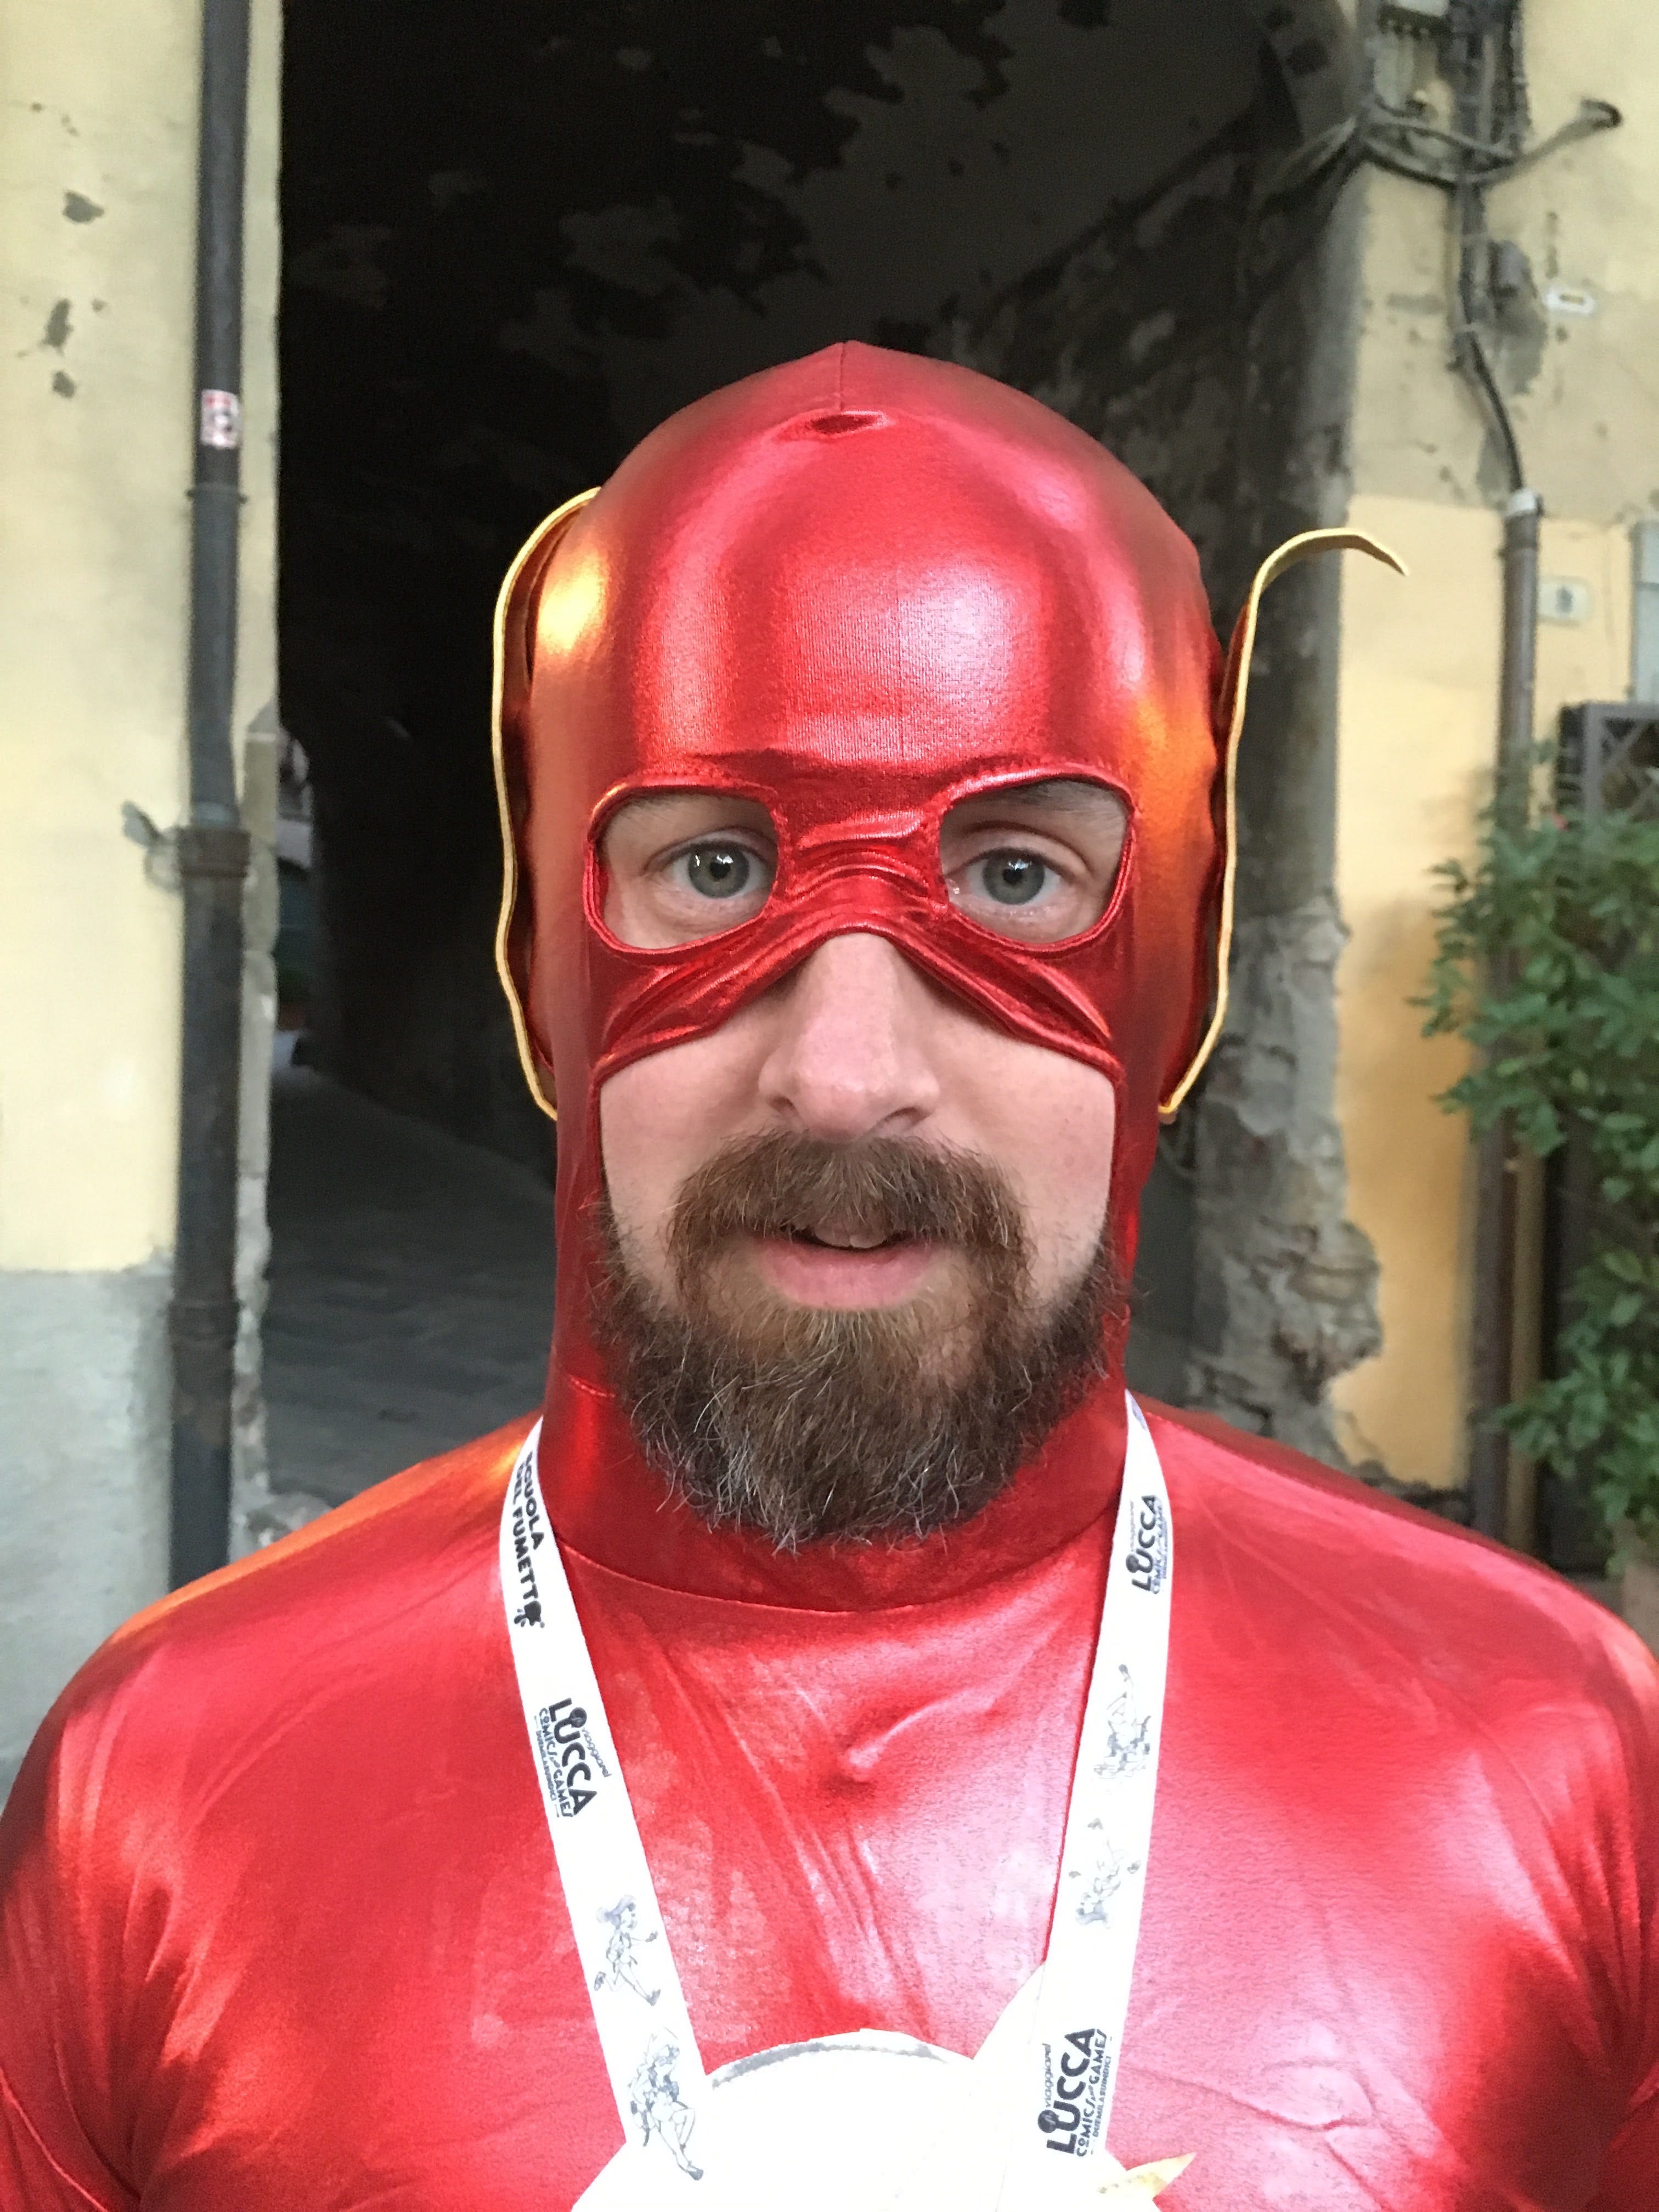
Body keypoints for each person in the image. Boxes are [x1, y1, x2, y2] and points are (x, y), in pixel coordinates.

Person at [1, 342, 1654, 2211]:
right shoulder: (163, 1794)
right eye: (715, 871)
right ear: (548, 973)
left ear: (1175, 986)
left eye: (1016, 881)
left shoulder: (1560, 1767)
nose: (847, 1073)